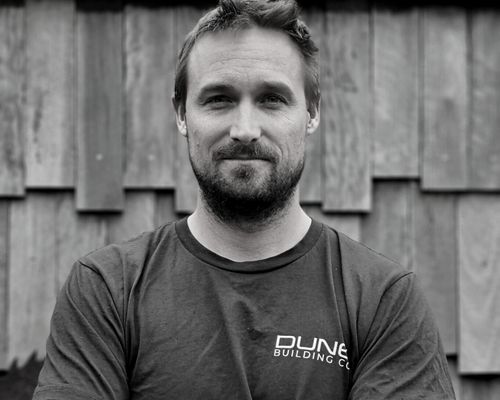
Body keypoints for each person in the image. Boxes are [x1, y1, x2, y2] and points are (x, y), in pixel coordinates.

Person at [33, 0, 455, 399]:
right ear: (182, 114)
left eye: (272, 99)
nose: (245, 129)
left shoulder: (382, 299)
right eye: (219, 99)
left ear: (311, 113)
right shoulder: (108, 288)